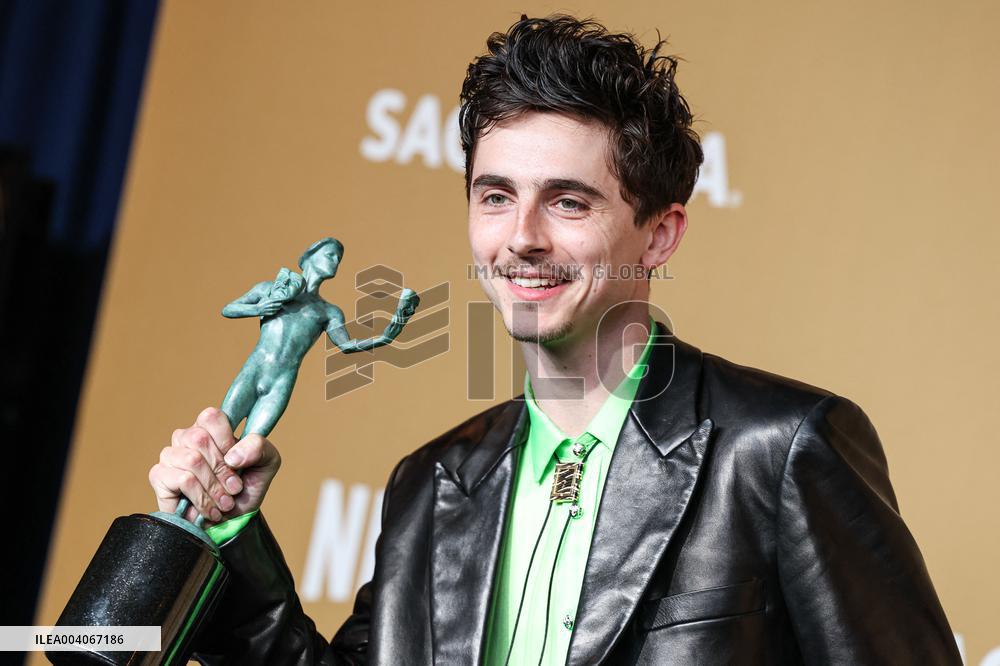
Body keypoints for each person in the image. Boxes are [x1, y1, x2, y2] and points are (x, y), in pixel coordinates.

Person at [148, 15, 962, 665]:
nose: (522, 238)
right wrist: (229, 538)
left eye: (569, 202)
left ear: (660, 234)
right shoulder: (431, 483)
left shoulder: (778, 450)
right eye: (496, 196)